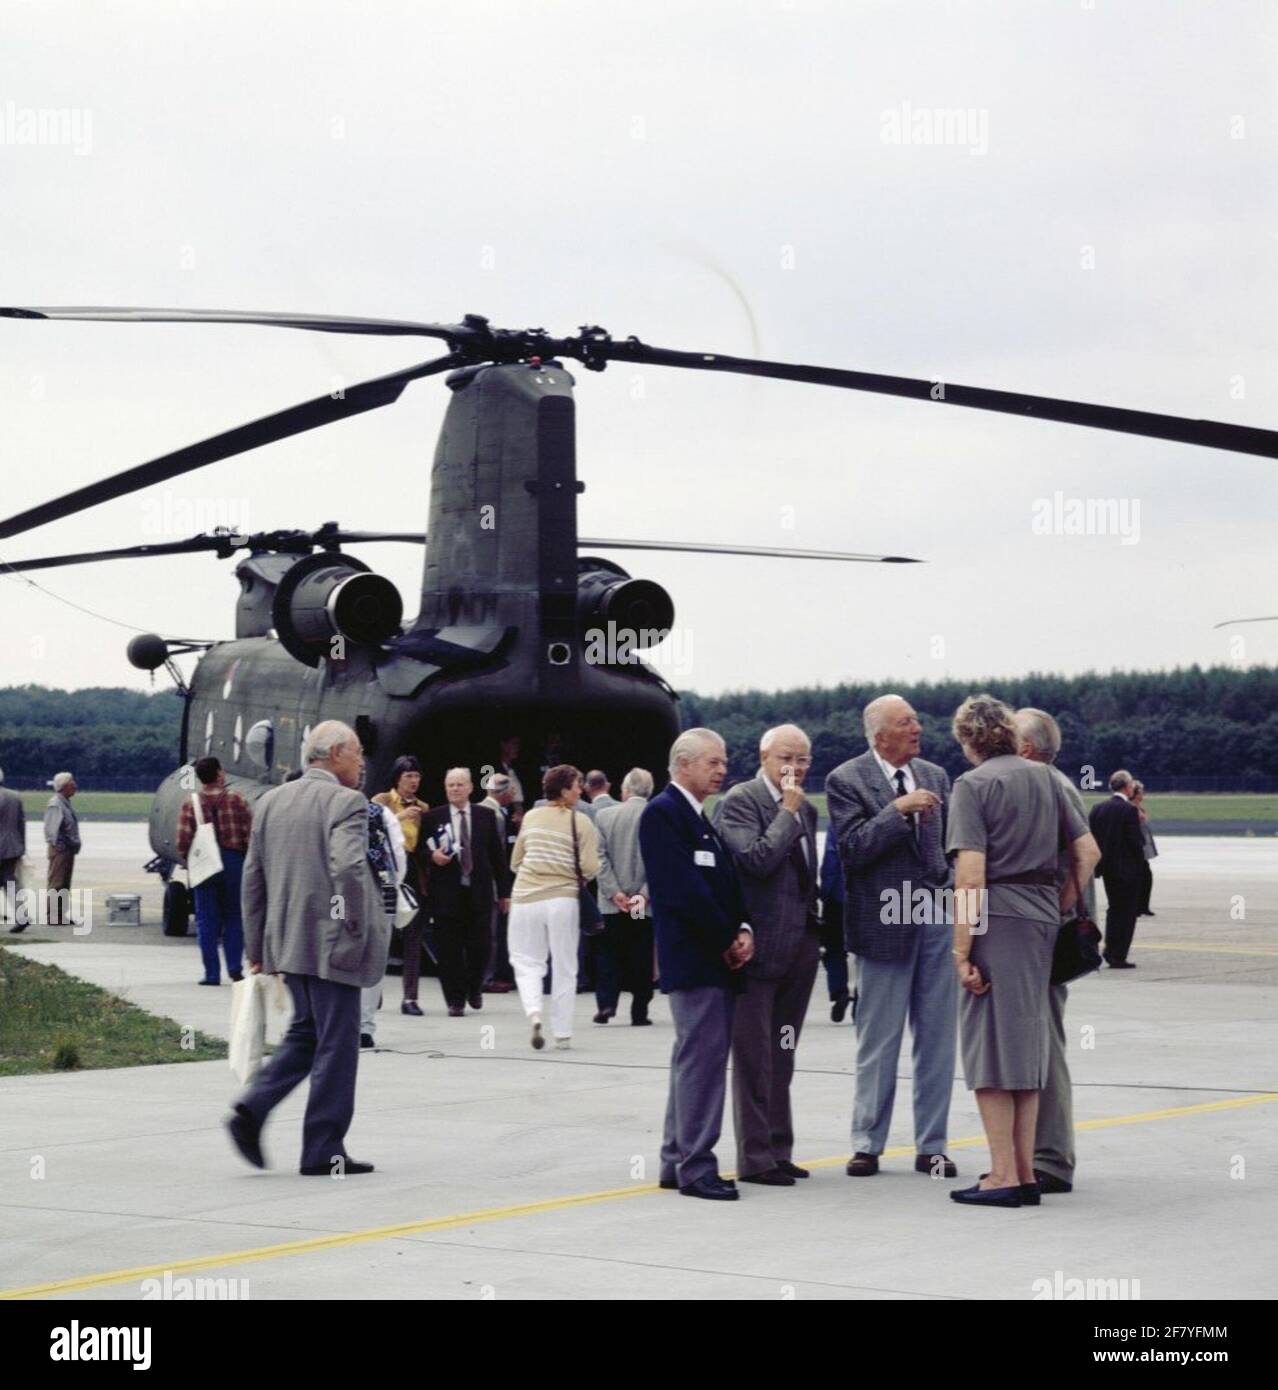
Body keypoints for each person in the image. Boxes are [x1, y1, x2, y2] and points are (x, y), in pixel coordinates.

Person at [946, 695, 1099, 1208]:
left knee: (988, 1050)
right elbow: (1087, 852)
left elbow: (970, 875)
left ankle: (1003, 1175)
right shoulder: (1047, 780)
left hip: (998, 919)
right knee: (1029, 1050)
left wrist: (961, 951)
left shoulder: (973, 785)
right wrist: (1059, 906)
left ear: (970, 740)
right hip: (1039, 919)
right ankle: (1027, 1171)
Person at [225, 720, 390, 1177]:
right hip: (332, 943)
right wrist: (350, 924)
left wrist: (256, 945)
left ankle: (252, 1108)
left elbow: (252, 877)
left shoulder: (272, 801)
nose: (361, 763)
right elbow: (349, 869)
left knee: (306, 1033)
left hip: (287, 942)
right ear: (334, 753)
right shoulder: (346, 801)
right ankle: (323, 1147)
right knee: (338, 1043)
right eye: (357, 753)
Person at [825, 695, 957, 1180]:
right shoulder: (846, 780)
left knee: (938, 1038)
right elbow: (853, 850)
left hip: (935, 917)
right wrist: (897, 809)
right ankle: (867, 1142)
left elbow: (947, 853)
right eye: (907, 723)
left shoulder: (938, 776)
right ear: (880, 734)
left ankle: (933, 1145)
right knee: (879, 1041)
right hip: (882, 923)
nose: (918, 728)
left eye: (917, 720)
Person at [640, 729, 753, 1201]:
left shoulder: (700, 818)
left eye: (723, 762)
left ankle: (676, 1159)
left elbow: (724, 885)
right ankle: (697, 1166)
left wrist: (743, 927)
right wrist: (726, 936)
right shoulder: (663, 815)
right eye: (713, 762)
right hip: (696, 958)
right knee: (702, 1064)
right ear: (683, 764)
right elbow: (683, 891)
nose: (722, 770)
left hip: (715, 957)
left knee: (694, 1062)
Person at [715, 725, 821, 1187]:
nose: (794, 767)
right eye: (785, 757)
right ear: (763, 757)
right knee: (755, 1057)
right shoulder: (740, 802)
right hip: (756, 949)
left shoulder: (808, 812)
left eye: (802, 759)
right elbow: (755, 860)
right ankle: (755, 1158)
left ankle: (779, 1148)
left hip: (800, 947)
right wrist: (787, 813)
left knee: (783, 1053)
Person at [1014, 707, 1098, 1197]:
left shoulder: (1047, 784)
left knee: (1044, 1042)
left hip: (1047, 934)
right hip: (1048, 929)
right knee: (1040, 1040)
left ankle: (1051, 1158)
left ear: (1026, 748)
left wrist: (1059, 910)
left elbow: (1085, 856)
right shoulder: (1053, 782)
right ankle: (1041, 1154)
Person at [507, 764, 599, 1048]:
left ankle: (534, 1013)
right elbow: (590, 867)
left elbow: (515, 862)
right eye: (576, 785)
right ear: (563, 790)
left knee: (526, 961)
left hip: (525, 897)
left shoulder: (531, 817)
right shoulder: (581, 821)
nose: (580, 789)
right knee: (565, 966)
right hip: (563, 899)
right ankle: (562, 1033)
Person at [421, 768, 510, 1017]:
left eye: (460, 784)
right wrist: (432, 856)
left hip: (478, 892)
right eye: (450, 785)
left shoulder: (485, 816)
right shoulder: (433, 817)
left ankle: (474, 988)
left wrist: (504, 893)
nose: (455, 789)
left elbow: (497, 857)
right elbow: (419, 850)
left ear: (471, 787)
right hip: (446, 894)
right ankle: (455, 1000)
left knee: (479, 947)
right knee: (448, 950)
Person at [175, 757, 253, 985]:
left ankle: (211, 973)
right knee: (234, 917)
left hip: (205, 864)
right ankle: (235, 969)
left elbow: (182, 840)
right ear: (219, 774)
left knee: (206, 920)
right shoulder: (237, 799)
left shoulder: (191, 803)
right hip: (233, 861)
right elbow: (250, 833)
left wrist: (191, 861)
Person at [593, 767, 655, 1026]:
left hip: (612, 902)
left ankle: (606, 1004)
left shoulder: (605, 816)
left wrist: (614, 892)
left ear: (625, 790)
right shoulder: (656, 816)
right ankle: (639, 1011)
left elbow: (599, 857)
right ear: (649, 791)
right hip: (642, 902)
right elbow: (660, 862)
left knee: (609, 951)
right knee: (640, 950)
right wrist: (642, 895)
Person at [372, 756, 430, 1016]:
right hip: (386, 868)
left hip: (411, 869)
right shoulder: (381, 801)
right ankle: (374, 990)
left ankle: (410, 997)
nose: (414, 782)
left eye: (417, 776)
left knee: (413, 935)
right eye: (409, 776)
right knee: (382, 932)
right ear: (398, 777)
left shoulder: (423, 807)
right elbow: (373, 830)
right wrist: (399, 816)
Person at [360, 796, 407, 1049]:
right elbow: (397, 854)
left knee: (339, 954)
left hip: (339, 897)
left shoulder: (328, 809)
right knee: (374, 958)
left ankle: (335, 1023)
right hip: (382, 890)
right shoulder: (380, 813)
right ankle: (364, 1028)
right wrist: (394, 884)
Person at [1088, 769, 1146, 968]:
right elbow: (1135, 843)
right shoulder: (1129, 810)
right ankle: (1118, 954)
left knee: (1114, 910)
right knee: (1127, 913)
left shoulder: (1098, 808)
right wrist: (1140, 869)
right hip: (1128, 871)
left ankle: (1109, 949)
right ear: (1128, 786)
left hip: (1108, 871)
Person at [479, 772, 518, 992]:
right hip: (491, 884)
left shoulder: (477, 808)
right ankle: (488, 977)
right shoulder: (497, 816)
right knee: (491, 934)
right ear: (502, 793)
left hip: (475, 883)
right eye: (511, 790)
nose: (513, 794)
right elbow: (499, 857)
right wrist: (503, 891)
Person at [817, 831, 852, 1021]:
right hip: (866, 895)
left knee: (834, 948)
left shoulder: (837, 819)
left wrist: (824, 892)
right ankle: (860, 994)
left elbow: (831, 858)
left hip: (838, 896)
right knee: (864, 951)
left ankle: (839, 991)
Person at [43, 771, 80, 926]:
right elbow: (51, 831)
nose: (75, 786)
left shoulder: (64, 802)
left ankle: (60, 914)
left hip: (67, 849)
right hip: (60, 850)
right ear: (64, 786)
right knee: (57, 883)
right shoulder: (56, 804)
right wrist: (61, 846)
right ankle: (53, 915)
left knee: (64, 883)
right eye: (72, 783)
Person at [0, 767, 27, 931]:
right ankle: (22, 915)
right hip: (12, 846)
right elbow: (21, 824)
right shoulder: (14, 796)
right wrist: (22, 846)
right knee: (10, 881)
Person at [1132, 781, 1157, 916]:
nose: (1143, 794)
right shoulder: (1130, 808)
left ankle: (1143, 906)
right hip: (1136, 849)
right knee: (1142, 877)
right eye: (1141, 792)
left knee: (1146, 876)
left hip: (1143, 848)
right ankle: (1138, 907)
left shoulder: (1140, 808)